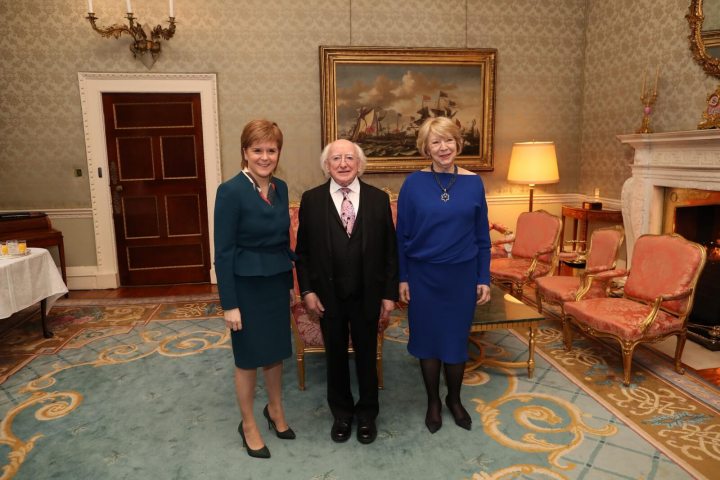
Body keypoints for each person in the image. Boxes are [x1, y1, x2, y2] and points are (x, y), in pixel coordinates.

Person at [295, 139, 399, 445]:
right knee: (336, 357)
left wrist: (389, 294)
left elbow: (390, 252)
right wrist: (308, 291)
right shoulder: (311, 200)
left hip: (369, 293)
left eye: (349, 158)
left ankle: (367, 415)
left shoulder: (379, 199)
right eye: (336, 158)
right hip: (328, 295)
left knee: (368, 355)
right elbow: (302, 253)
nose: (343, 163)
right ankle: (341, 414)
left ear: (359, 164)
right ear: (326, 166)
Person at [396, 117, 492, 434]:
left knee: (454, 342)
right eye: (435, 142)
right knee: (426, 342)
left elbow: (482, 238)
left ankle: (454, 399)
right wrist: (403, 277)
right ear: (426, 148)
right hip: (423, 277)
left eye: (448, 140)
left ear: (458, 143)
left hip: (461, 278)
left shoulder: (474, 183)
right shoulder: (412, 184)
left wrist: (483, 278)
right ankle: (433, 402)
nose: (443, 147)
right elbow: (402, 236)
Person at [213, 119, 297, 459]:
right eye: (257, 150)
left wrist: (290, 283)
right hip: (245, 287)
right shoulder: (230, 191)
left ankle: (274, 410)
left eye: (271, 150)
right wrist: (229, 304)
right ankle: (248, 423)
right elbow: (223, 252)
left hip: (276, 281)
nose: (264, 156)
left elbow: (283, 241)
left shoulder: (282, 188)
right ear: (245, 152)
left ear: (279, 153)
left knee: (275, 352)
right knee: (247, 358)